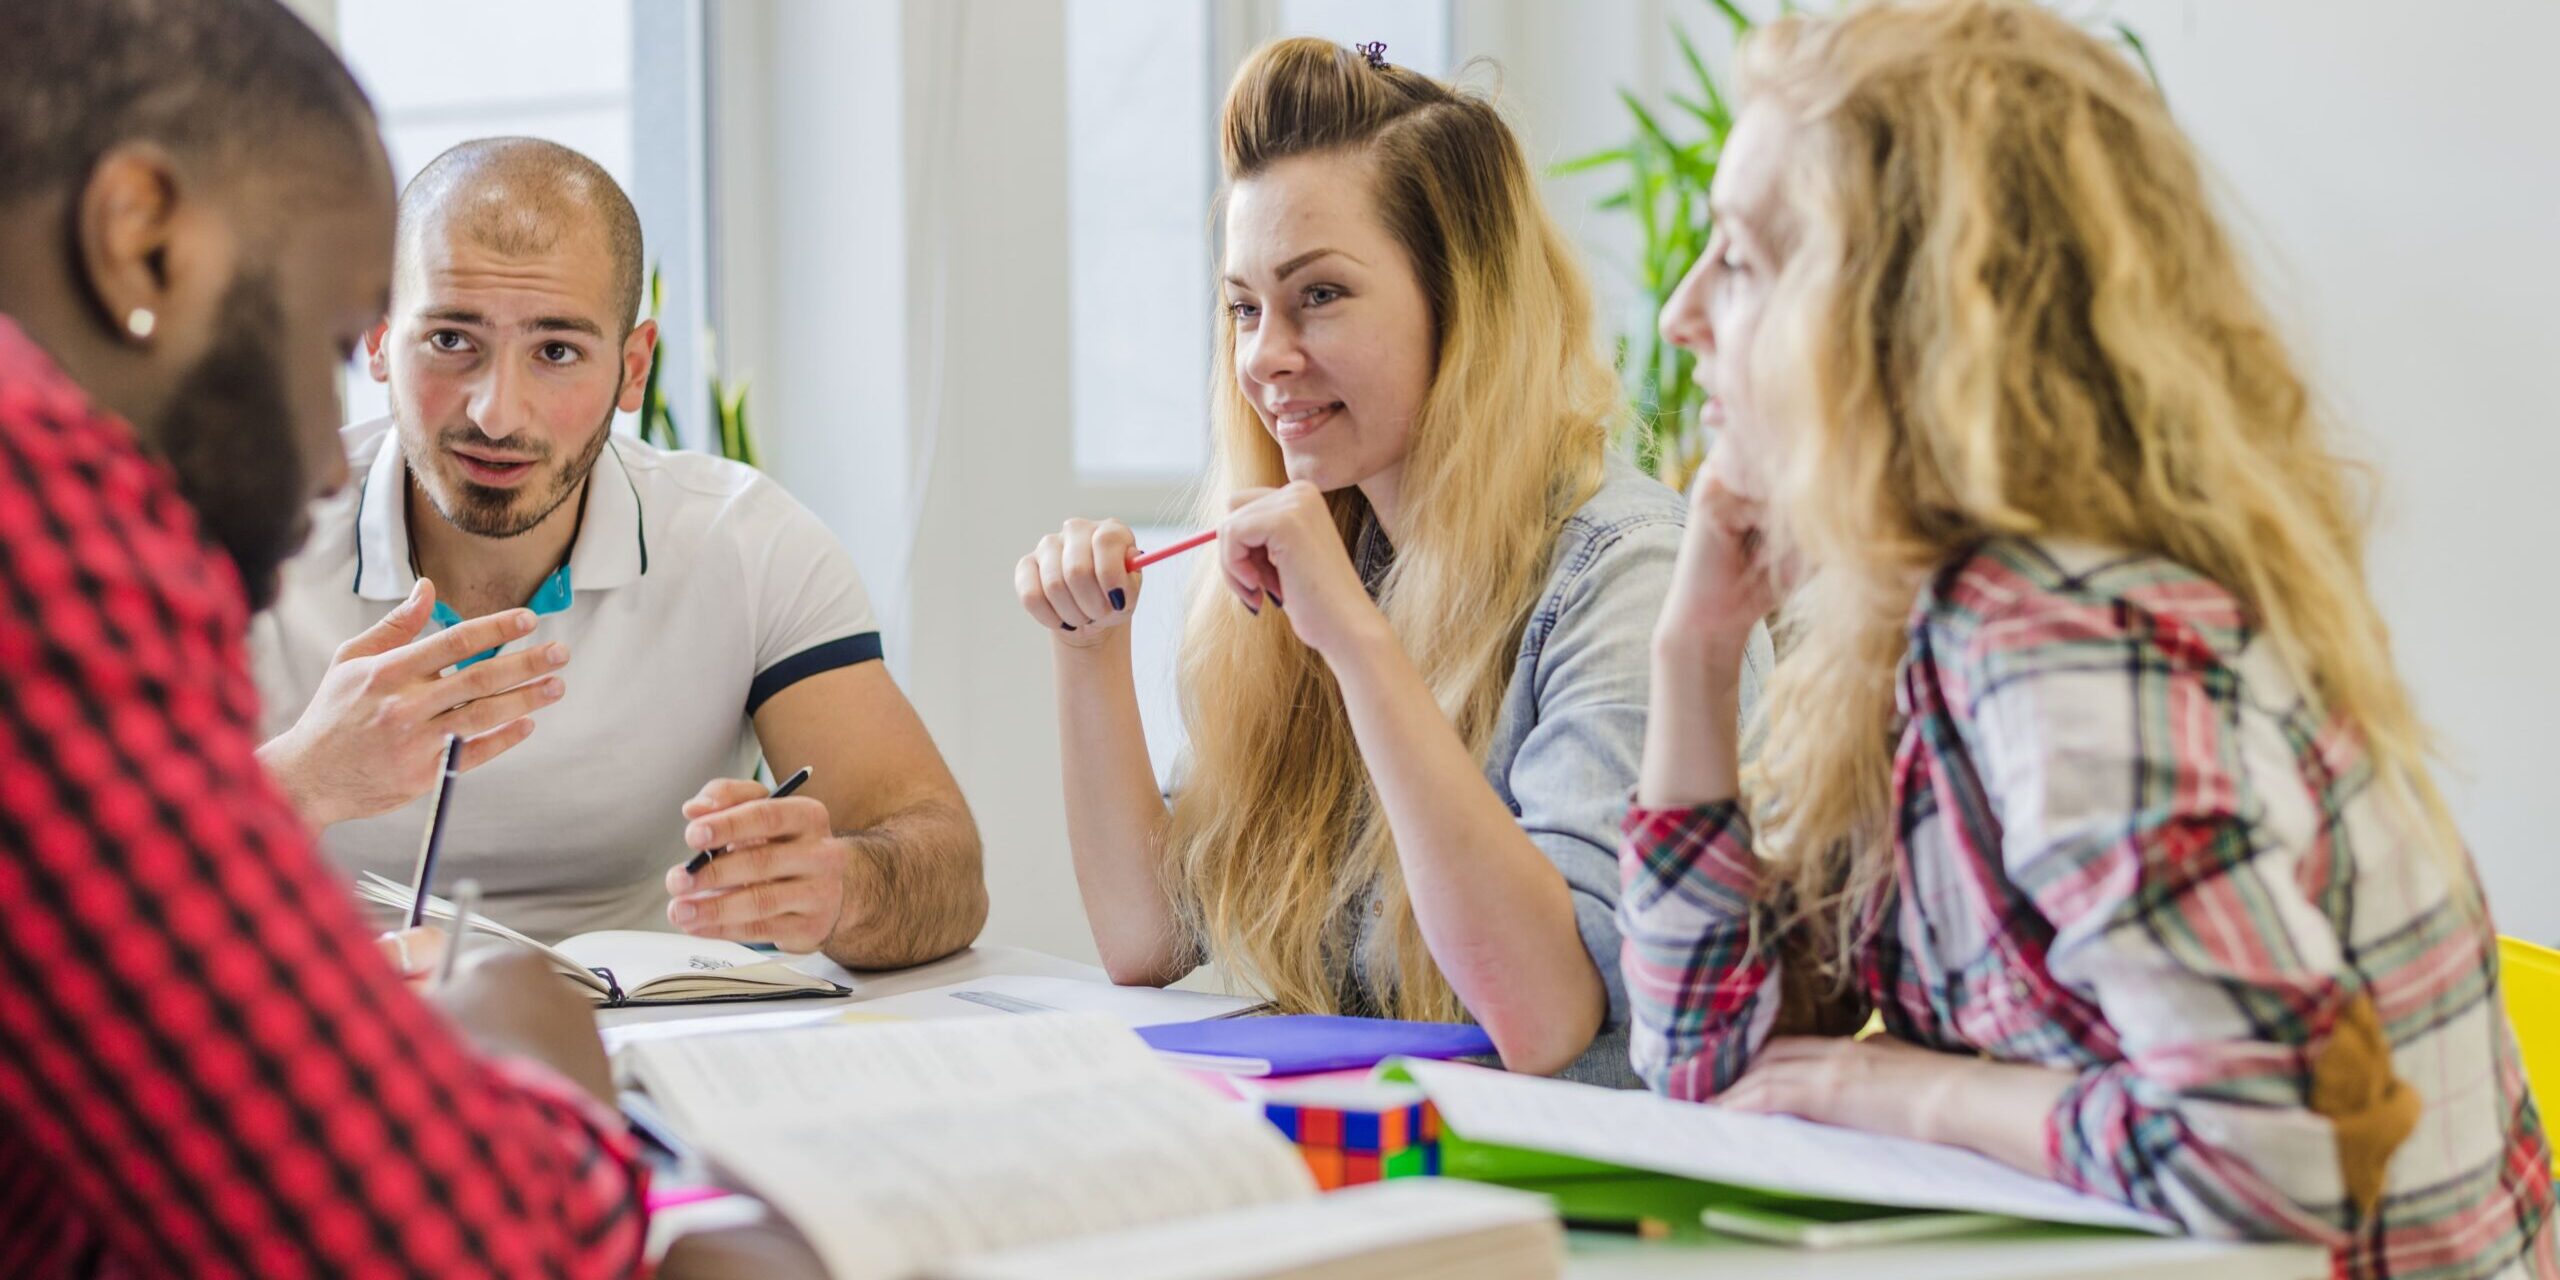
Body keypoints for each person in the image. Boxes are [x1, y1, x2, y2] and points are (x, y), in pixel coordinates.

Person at [1618, 3, 2554, 1275]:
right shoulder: (1912, 621)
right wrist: (1694, 655)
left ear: (1897, 312)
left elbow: (2280, 1160)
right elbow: (1711, 1069)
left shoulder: (2058, 633)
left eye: (1737, 259)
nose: (1680, 314)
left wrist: (1896, 1087)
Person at [0, 1, 650, 1274]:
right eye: (322, 339)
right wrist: (524, 1032)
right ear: (141, 242)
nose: (319, 449)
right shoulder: (35, 499)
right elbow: (454, 1242)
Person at [1017, 37, 1768, 1083]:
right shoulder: (1332, 552)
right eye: (1243, 306)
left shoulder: (1624, 574)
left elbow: (1545, 1019)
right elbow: (1148, 940)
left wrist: (1357, 643)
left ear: (1463, 307)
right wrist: (1088, 648)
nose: (1263, 356)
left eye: (1318, 294)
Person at [251, 138, 987, 964]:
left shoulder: (747, 544)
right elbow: (84, 872)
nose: (498, 413)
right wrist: (300, 781)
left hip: (649, 1046)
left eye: (557, 352)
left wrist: (838, 887)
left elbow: (946, 870)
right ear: (381, 340)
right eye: (453, 341)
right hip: (325, 1044)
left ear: (633, 369)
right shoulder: (240, 538)